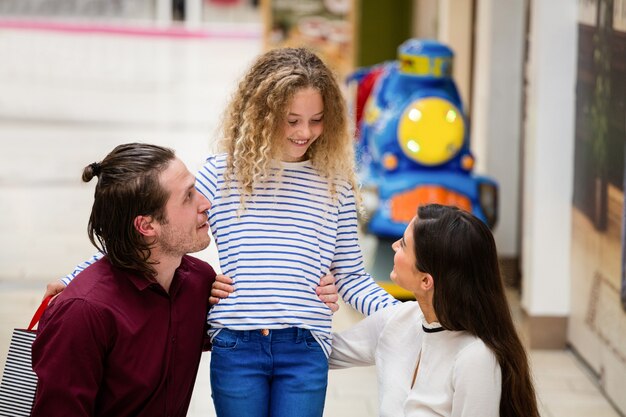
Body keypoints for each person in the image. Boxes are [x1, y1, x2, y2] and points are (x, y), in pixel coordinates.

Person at [48, 47, 397, 417]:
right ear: (261, 116)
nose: (305, 132)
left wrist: (408, 315)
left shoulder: (335, 184)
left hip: (305, 347)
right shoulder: (223, 172)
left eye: (317, 119)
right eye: (291, 120)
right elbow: (155, 232)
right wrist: (75, 279)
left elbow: (353, 277)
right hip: (236, 347)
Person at [32, 143, 217, 417]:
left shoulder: (200, 282)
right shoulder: (84, 312)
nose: (206, 203)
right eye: (188, 196)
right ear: (146, 226)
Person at [328, 204, 540, 417]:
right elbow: (319, 351)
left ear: (426, 280)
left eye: (403, 244)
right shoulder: (395, 321)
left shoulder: (475, 358)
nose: (394, 246)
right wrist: (314, 300)